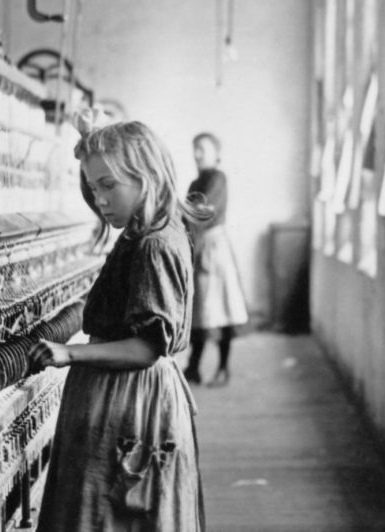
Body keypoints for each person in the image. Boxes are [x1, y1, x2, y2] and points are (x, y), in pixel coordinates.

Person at [28, 113, 207, 531]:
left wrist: (69, 352)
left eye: (109, 186)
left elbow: (146, 348)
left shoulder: (153, 245)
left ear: (146, 176)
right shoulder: (149, 232)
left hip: (129, 399)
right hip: (124, 394)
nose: (101, 200)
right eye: (93, 188)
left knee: (114, 513)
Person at [183, 132, 249, 387]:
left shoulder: (217, 179)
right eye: (195, 148)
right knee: (200, 310)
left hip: (214, 249)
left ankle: (223, 368)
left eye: (203, 149)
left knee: (221, 310)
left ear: (216, 153)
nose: (197, 154)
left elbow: (202, 212)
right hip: (199, 248)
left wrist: (182, 218)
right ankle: (194, 367)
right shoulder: (194, 182)